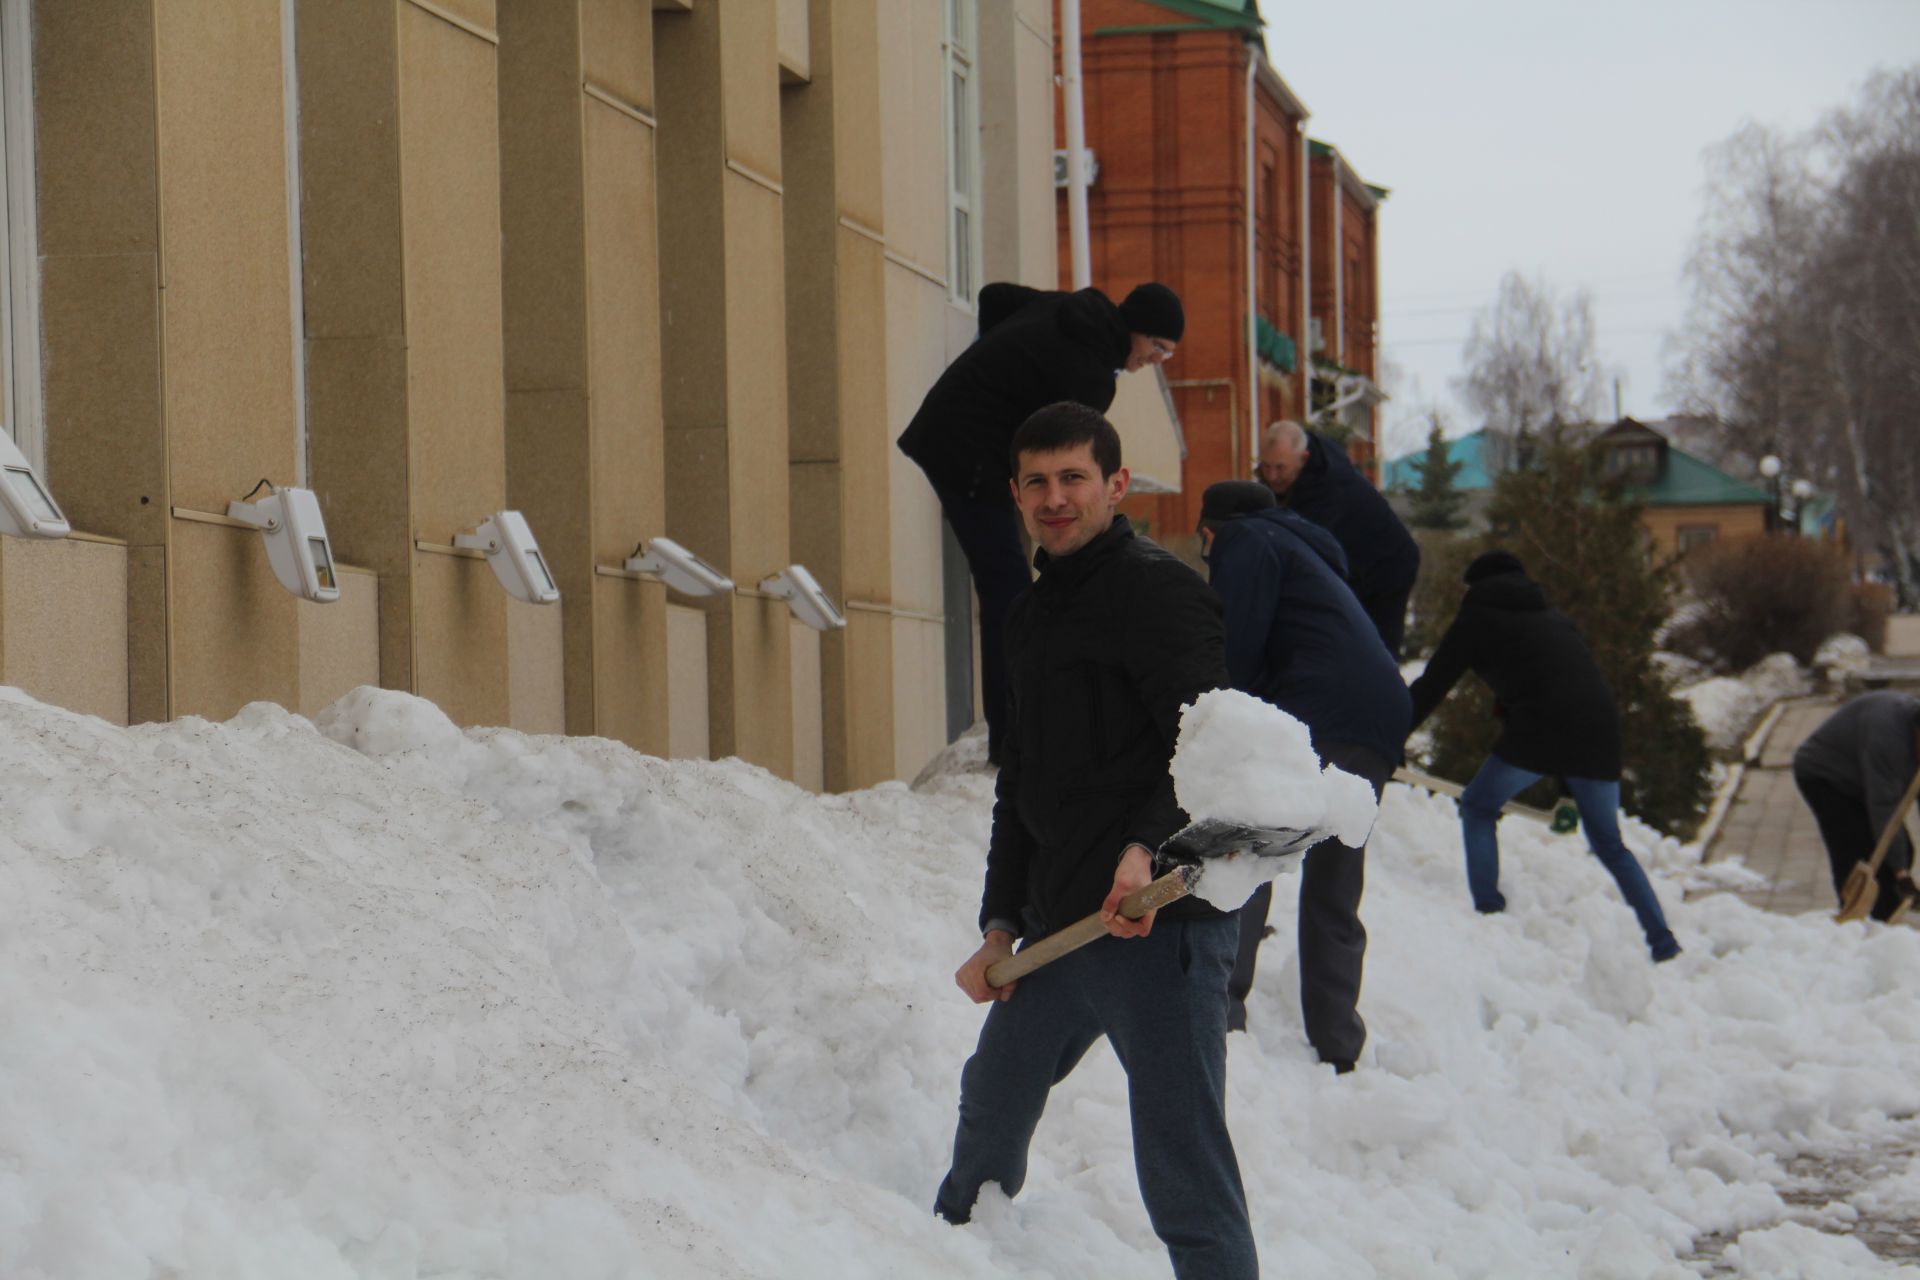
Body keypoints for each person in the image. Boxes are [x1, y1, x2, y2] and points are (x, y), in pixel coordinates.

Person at [934, 401, 1255, 1279]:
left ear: (1116, 484)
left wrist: (1144, 848)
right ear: (1015, 493)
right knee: (993, 1100)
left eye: (1074, 477)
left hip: (1156, 925)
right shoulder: (1031, 617)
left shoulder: (1161, 592)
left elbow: (1207, 745)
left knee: (1181, 1161)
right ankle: (946, 1254)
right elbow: (1023, 784)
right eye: (1036, 481)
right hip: (1064, 926)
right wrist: (1001, 919)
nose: (1055, 497)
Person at [898, 282, 1185, 763]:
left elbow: (993, 297)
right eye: (1157, 347)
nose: (1156, 360)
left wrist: (993, 367)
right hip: (967, 456)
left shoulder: (1072, 307)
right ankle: (1013, 745)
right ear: (1136, 329)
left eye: (1167, 355)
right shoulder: (1093, 376)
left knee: (1011, 587)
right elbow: (1065, 457)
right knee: (1008, 593)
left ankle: (1018, 733)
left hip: (951, 428)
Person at [1197, 481, 1410, 1067]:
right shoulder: (1309, 552)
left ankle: (1220, 1019)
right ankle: (1338, 1045)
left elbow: (1235, 655)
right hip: (1379, 715)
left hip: (1320, 712)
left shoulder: (1242, 541)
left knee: (1244, 851)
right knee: (1335, 885)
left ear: (1209, 530)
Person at [1406, 550, 1680, 962]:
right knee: (1609, 843)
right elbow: (1570, 686)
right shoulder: (1553, 618)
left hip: (1541, 729)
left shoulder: (1477, 617)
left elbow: (1433, 685)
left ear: (1475, 586)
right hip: (1601, 731)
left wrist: (1389, 734)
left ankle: (1488, 913)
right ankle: (1663, 942)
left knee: (1479, 807)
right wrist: (1569, 786)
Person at [1257, 419, 1420, 658]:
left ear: (1304, 458)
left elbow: (1301, 554)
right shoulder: (1305, 469)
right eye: (1266, 467)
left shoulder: (1326, 492)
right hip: (1354, 565)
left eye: (1280, 468)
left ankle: (1383, 692)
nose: (1272, 476)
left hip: (1387, 568)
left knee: (1376, 653)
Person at [1793, 691, 1920, 921]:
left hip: (1861, 777)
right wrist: (1901, 874)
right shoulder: (1888, 739)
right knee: (1857, 851)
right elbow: (1884, 809)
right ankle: (1855, 920)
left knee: (1902, 852)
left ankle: (1885, 918)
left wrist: (1902, 872)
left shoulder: (1911, 739)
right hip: (1824, 774)